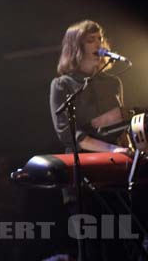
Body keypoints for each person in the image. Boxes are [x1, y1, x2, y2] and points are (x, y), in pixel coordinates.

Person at [49, 20, 133, 260]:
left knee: (120, 244)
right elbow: (66, 132)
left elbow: (121, 126)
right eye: (90, 39)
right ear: (76, 47)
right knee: (91, 247)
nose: (98, 43)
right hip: (82, 177)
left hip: (115, 172)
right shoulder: (62, 85)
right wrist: (109, 149)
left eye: (99, 38)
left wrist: (126, 150)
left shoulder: (113, 82)